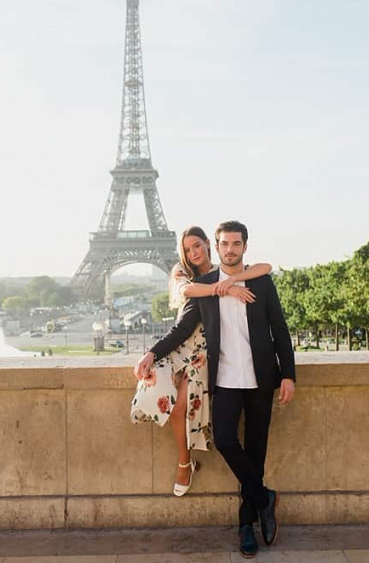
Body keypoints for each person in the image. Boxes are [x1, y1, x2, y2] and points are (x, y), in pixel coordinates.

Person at [135, 220, 295, 559]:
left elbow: (279, 329)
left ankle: (245, 525)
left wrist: (288, 375)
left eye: (236, 243)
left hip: (261, 377)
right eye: (225, 243)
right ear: (216, 246)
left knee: (257, 451)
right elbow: (181, 329)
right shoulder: (205, 286)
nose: (230, 249)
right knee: (224, 439)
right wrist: (150, 354)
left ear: (245, 247)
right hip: (224, 379)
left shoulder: (260, 282)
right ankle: (264, 498)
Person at [131, 226, 272, 496]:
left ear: (208, 244)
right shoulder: (183, 273)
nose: (193, 253)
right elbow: (187, 296)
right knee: (162, 393)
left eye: (197, 245)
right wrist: (226, 290)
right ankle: (186, 462)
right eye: (187, 249)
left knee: (180, 407)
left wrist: (231, 281)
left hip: (207, 351)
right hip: (181, 345)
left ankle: (186, 464)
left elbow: (265, 268)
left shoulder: (224, 271)